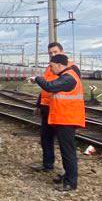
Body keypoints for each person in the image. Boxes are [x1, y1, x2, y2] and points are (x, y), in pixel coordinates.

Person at [28, 54, 85, 192]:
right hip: (63, 118)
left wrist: (37, 79)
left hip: (67, 119)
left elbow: (50, 86)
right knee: (66, 151)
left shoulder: (69, 77)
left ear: (60, 65)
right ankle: (68, 178)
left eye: (52, 67)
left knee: (68, 152)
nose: (51, 70)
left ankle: (71, 183)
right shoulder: (66, 76)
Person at [31, 41, 67, 175]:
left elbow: (52, 86)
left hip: (58, 109)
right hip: (46, 108)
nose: (52, 55)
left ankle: (66, 171)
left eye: (55, 52)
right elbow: (44, 89)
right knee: (45, 138)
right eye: (50, 53)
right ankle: (47, 164)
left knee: (64, 142)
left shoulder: (67, 67)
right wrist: (38, 105)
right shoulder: (49, 68)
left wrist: (38, 80)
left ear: (62, 52)